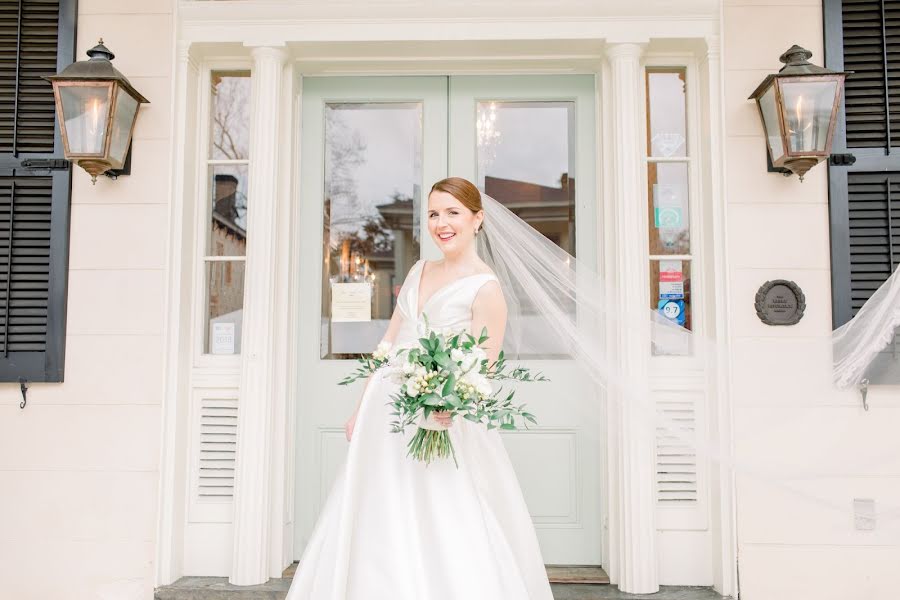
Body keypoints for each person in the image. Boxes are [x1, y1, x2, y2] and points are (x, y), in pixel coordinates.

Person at [285, 177, 555, 599]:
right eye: (433, 214)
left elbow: (484, 368)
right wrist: (361, 406)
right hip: (386, 416)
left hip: (443, 420)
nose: (441, 223)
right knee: (379, 513)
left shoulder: (486, 288)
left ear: (477, 219)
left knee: (442, 516)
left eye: (453, 213)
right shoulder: (419, 269)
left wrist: (450, 402)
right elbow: (389, 342)